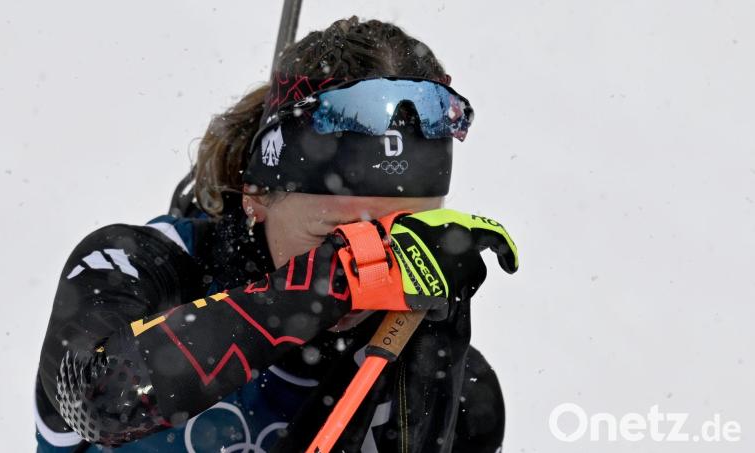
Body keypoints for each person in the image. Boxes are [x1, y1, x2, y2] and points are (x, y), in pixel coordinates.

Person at [34, 17, 518, 453]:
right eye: (338, 236)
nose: (379, 266)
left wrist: (433, 346)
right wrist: (334, 279)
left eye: (407, 237)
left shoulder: (461, 389)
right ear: (257, 195)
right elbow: (98, 399)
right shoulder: (135, 267)